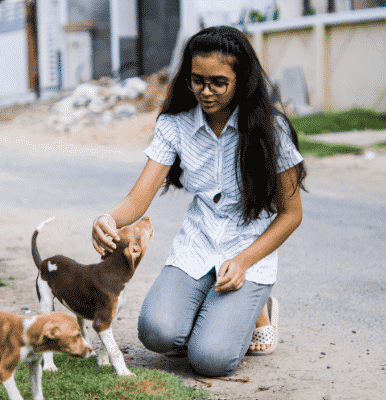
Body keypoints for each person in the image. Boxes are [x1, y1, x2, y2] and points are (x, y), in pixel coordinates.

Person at [91, 26, 307, 377]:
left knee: (210, 360)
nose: (206, 92)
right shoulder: (175, 125)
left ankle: (258, 307)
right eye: (197, 80)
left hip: (248, 251)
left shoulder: (272, 129)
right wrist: (107, 219)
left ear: (242, 80)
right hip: (198, 243)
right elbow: (137, 199)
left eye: (218, 82)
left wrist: (242, 262)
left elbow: (291, 215)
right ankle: (219, 308)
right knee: (157, 333)